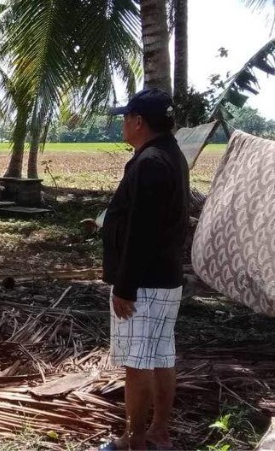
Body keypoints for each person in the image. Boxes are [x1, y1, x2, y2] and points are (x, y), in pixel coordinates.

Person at [99, 88, 190, 451]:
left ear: (138, 121)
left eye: (125, 118)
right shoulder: (171, 155)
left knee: (138, 364)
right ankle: (158, 432)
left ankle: (133, 440)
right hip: (164, 278)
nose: (123, 123)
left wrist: (125, 285)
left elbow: (141, 230)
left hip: (144, 284)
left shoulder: (150, 162)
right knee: (160, 356)